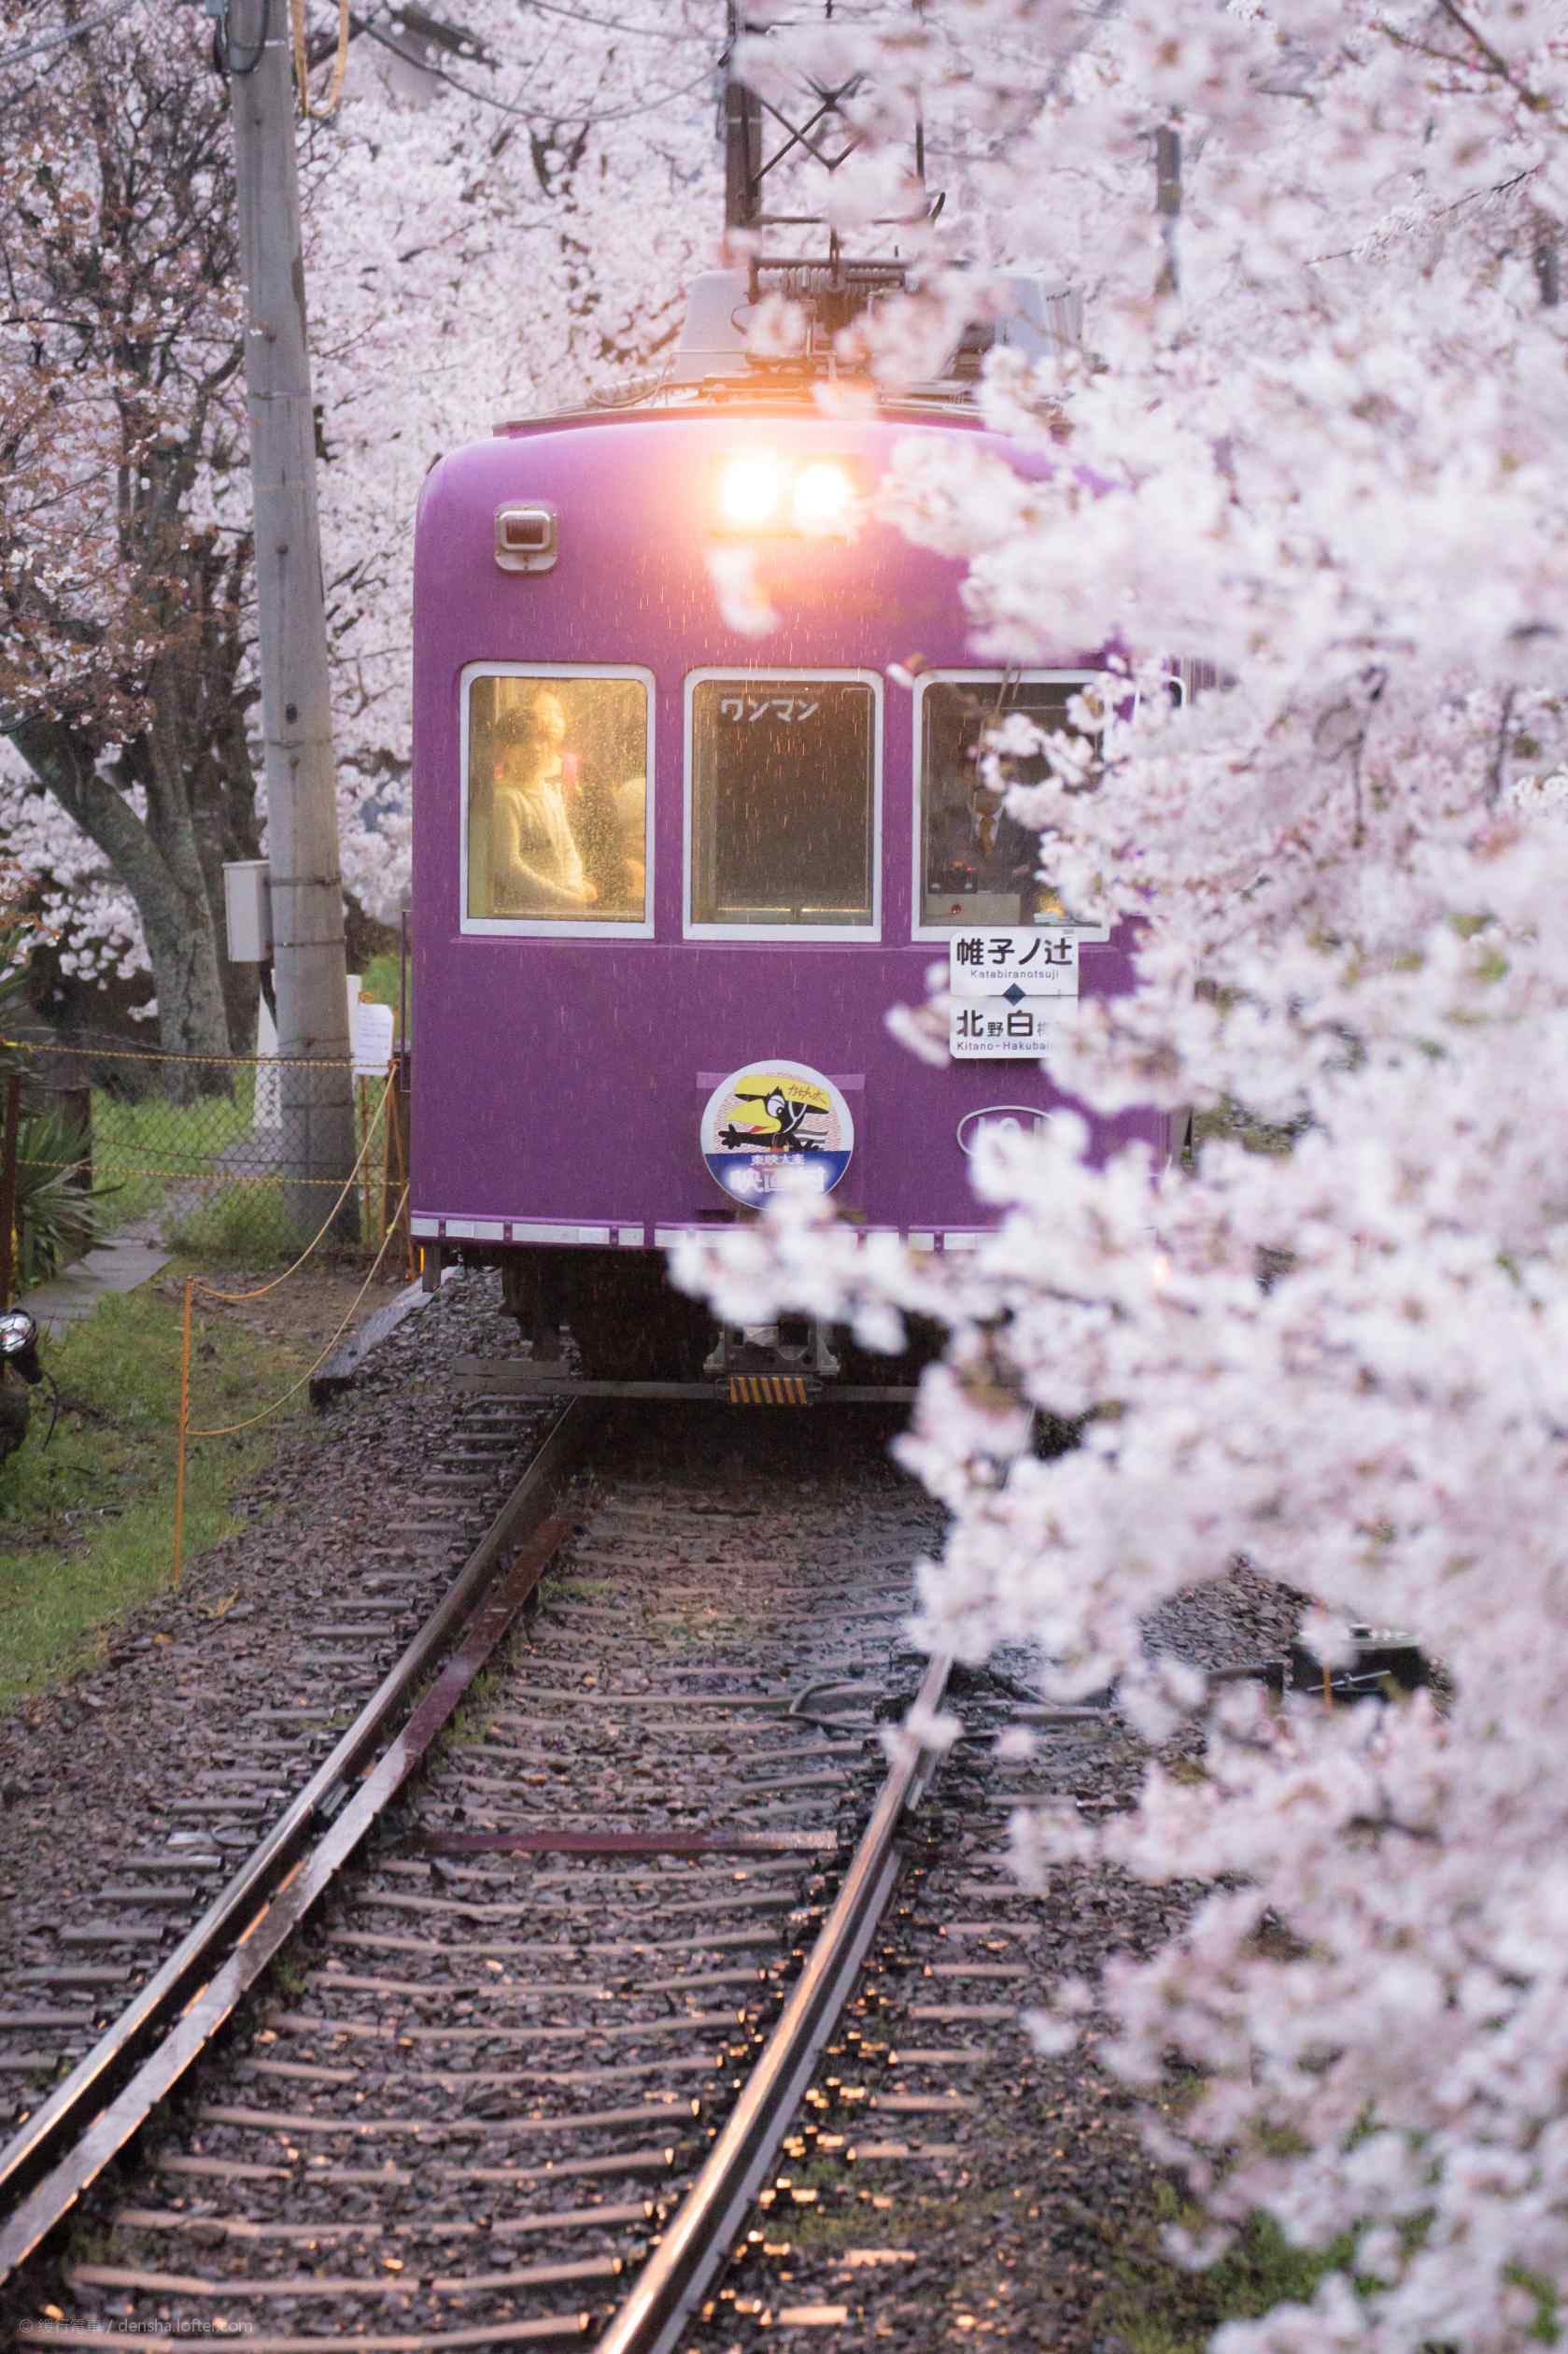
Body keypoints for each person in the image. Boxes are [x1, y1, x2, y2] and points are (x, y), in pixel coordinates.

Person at [489, 688, 599, 915]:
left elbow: (568, 849)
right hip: (529, 916)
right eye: (524, 741)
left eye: (541, 739)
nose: (536, 748)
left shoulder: (550, 793)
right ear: (506, 750)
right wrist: (565, 898)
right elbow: (509, 868)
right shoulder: (505, 800)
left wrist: (575, 885)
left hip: (564, 909)